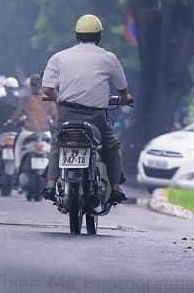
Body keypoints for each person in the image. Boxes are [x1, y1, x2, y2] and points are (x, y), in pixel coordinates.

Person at [41, 14, 131, 204]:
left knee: (58, 143)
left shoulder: (59, 57)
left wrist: (60, 100)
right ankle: (116, 187)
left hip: (66, 115)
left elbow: (47, 89)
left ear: (77, 35)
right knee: (111, 146)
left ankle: (50, 184)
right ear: (99, 35)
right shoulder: (108, 58)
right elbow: (123, 88)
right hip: (96, 117)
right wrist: (124, 99)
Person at [12, 73, 57, 165]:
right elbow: (55, 116)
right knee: (54, 149)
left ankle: (17, 166)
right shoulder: (48, 99)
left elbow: (17, 115)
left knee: (17, 146)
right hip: (45, 133)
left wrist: (13, 120)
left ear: (31, 85)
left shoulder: (25, 99)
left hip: (28, 132)